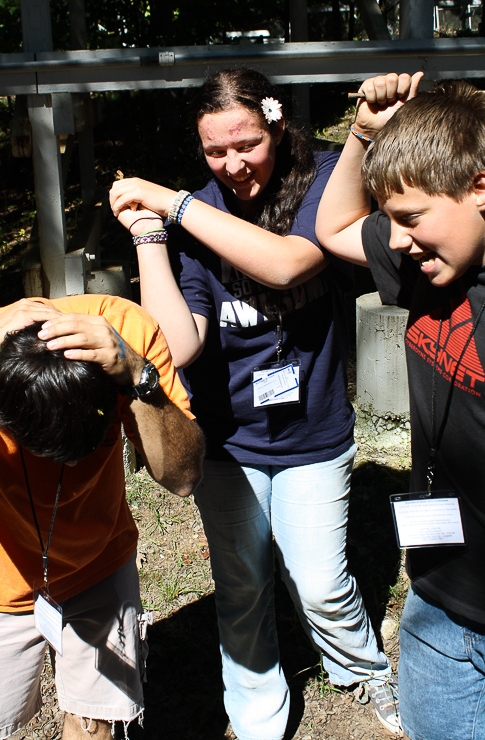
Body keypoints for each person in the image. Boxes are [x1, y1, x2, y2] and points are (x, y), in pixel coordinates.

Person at [109, 67, 400, 739]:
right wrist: (152, 237)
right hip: (228, 443)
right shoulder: (194, 218)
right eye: (216, 151)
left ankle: (361, 668)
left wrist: (171, 199)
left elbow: (289, 264)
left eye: (248, 143)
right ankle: (256, 710)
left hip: (314, 431)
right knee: (241, 586)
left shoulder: (325, 179)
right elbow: (179, 345)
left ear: (276, 125)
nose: (234, 164)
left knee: (321, 581)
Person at [0, 293, 205, 740]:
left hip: (99, 565)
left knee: (97, 727)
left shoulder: (127, 333)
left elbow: (183, 478)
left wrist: (138, 374)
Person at [316, 71, 485, 740]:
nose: (397, 240)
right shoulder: (423, 262)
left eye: (411, 218)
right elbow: (334, 226)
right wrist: (363, 130)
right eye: (390, 220)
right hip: (437, 599)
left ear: (479, 188)